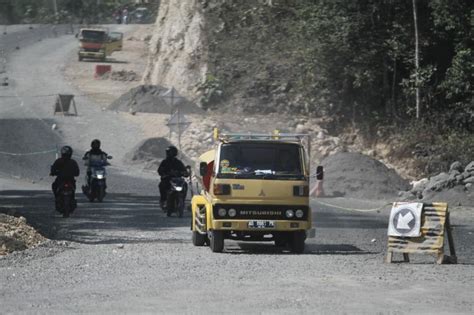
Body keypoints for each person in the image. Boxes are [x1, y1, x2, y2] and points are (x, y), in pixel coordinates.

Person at [50, 146, 80, 210]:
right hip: (65, 180)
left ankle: (61, 199)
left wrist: (53, 173)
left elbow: (77, 172)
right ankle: (59, 198)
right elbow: (77, 173)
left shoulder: (60, 161)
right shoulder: (72, 162)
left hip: (65, 180)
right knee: (55, 186)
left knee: (55, 186)